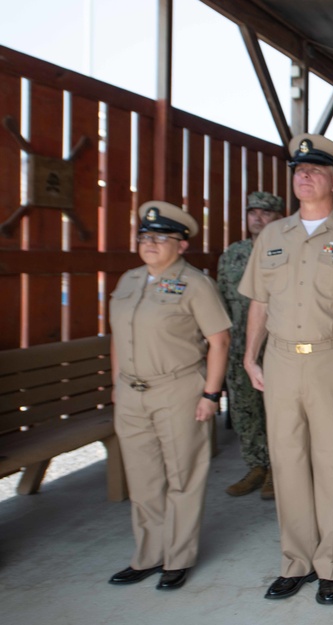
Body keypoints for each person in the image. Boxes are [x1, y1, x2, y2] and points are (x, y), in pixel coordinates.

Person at [239, 133, 333, 604]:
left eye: (315, 170)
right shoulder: (273, 236)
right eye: (299, 170)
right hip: (280, 359)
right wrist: (249, 355)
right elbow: (259, 301)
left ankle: (332, 565)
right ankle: (295, 561)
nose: (303, 175)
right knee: (288, 461)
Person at [108, 201, 231, 591]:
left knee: (182, 476)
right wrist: (117, 384)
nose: (150, 243)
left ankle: (177, 558)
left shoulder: (195, 284)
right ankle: (147, 555)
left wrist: (211, 394)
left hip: (177, 390)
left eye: (161, 237)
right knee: (143, 480)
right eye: (145, 236)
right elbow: (118, 339)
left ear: (181, 245)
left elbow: (219, 340)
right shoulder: (127, 281)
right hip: (131, 393)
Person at [217, 191, 284, 499]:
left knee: (278, 411)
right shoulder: (232, 255)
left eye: (266, 212)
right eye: (253, 212)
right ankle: (257, 466)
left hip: (276, 348)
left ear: (279, 218)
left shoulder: (286, 251)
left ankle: (278, 470)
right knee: (245, 411)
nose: (258, 217)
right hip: (239, 348)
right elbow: (219, 304)